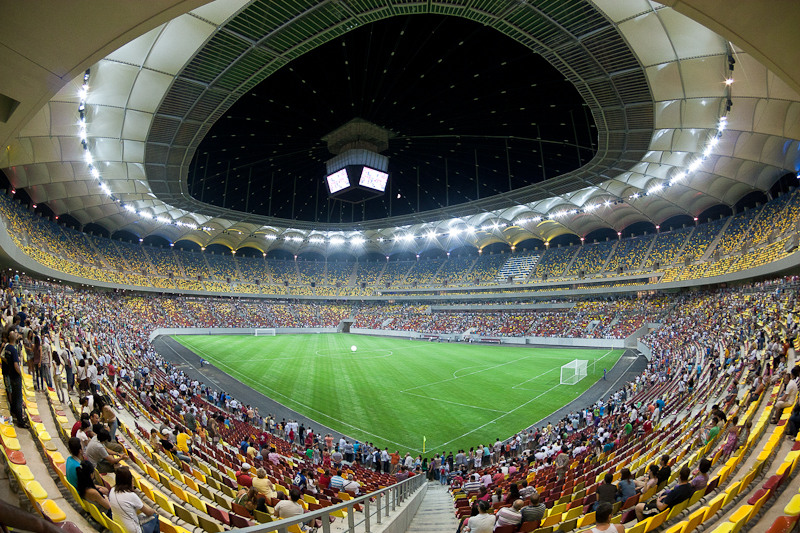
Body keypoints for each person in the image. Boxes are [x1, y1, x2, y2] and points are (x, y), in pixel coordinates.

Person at [108, 466, 158, 533]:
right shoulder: (131, 495)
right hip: (132, 530)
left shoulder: (112, 490)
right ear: (129, 480)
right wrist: (154, 511)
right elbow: (148, 513)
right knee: (154, 516)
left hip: (119, 526)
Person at [1, 328, 28, 427]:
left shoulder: (7, 347)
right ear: (15, 338)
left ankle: (14, 413)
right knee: (18, 399)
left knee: (13, 396)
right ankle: (20, 421)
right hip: (16, 377)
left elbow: (3, 357)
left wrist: (9, 365)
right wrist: (20, 373)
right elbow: (16, 365)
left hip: (10, 375)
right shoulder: (13, 349)